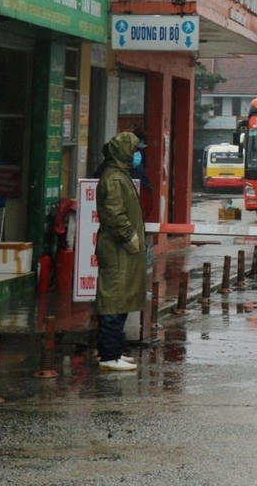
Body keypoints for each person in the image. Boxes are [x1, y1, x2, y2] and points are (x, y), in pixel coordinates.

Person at [95, 131, 147, 372]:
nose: (137, 155)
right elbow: (114, 213)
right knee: (113, 300)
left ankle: (114, 351)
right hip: (117, 248)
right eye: (134, 150)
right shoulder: (114, 179)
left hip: (122, 250)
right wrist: (129, 236)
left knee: (121, 298)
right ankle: (109, 355)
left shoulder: (120, 175)